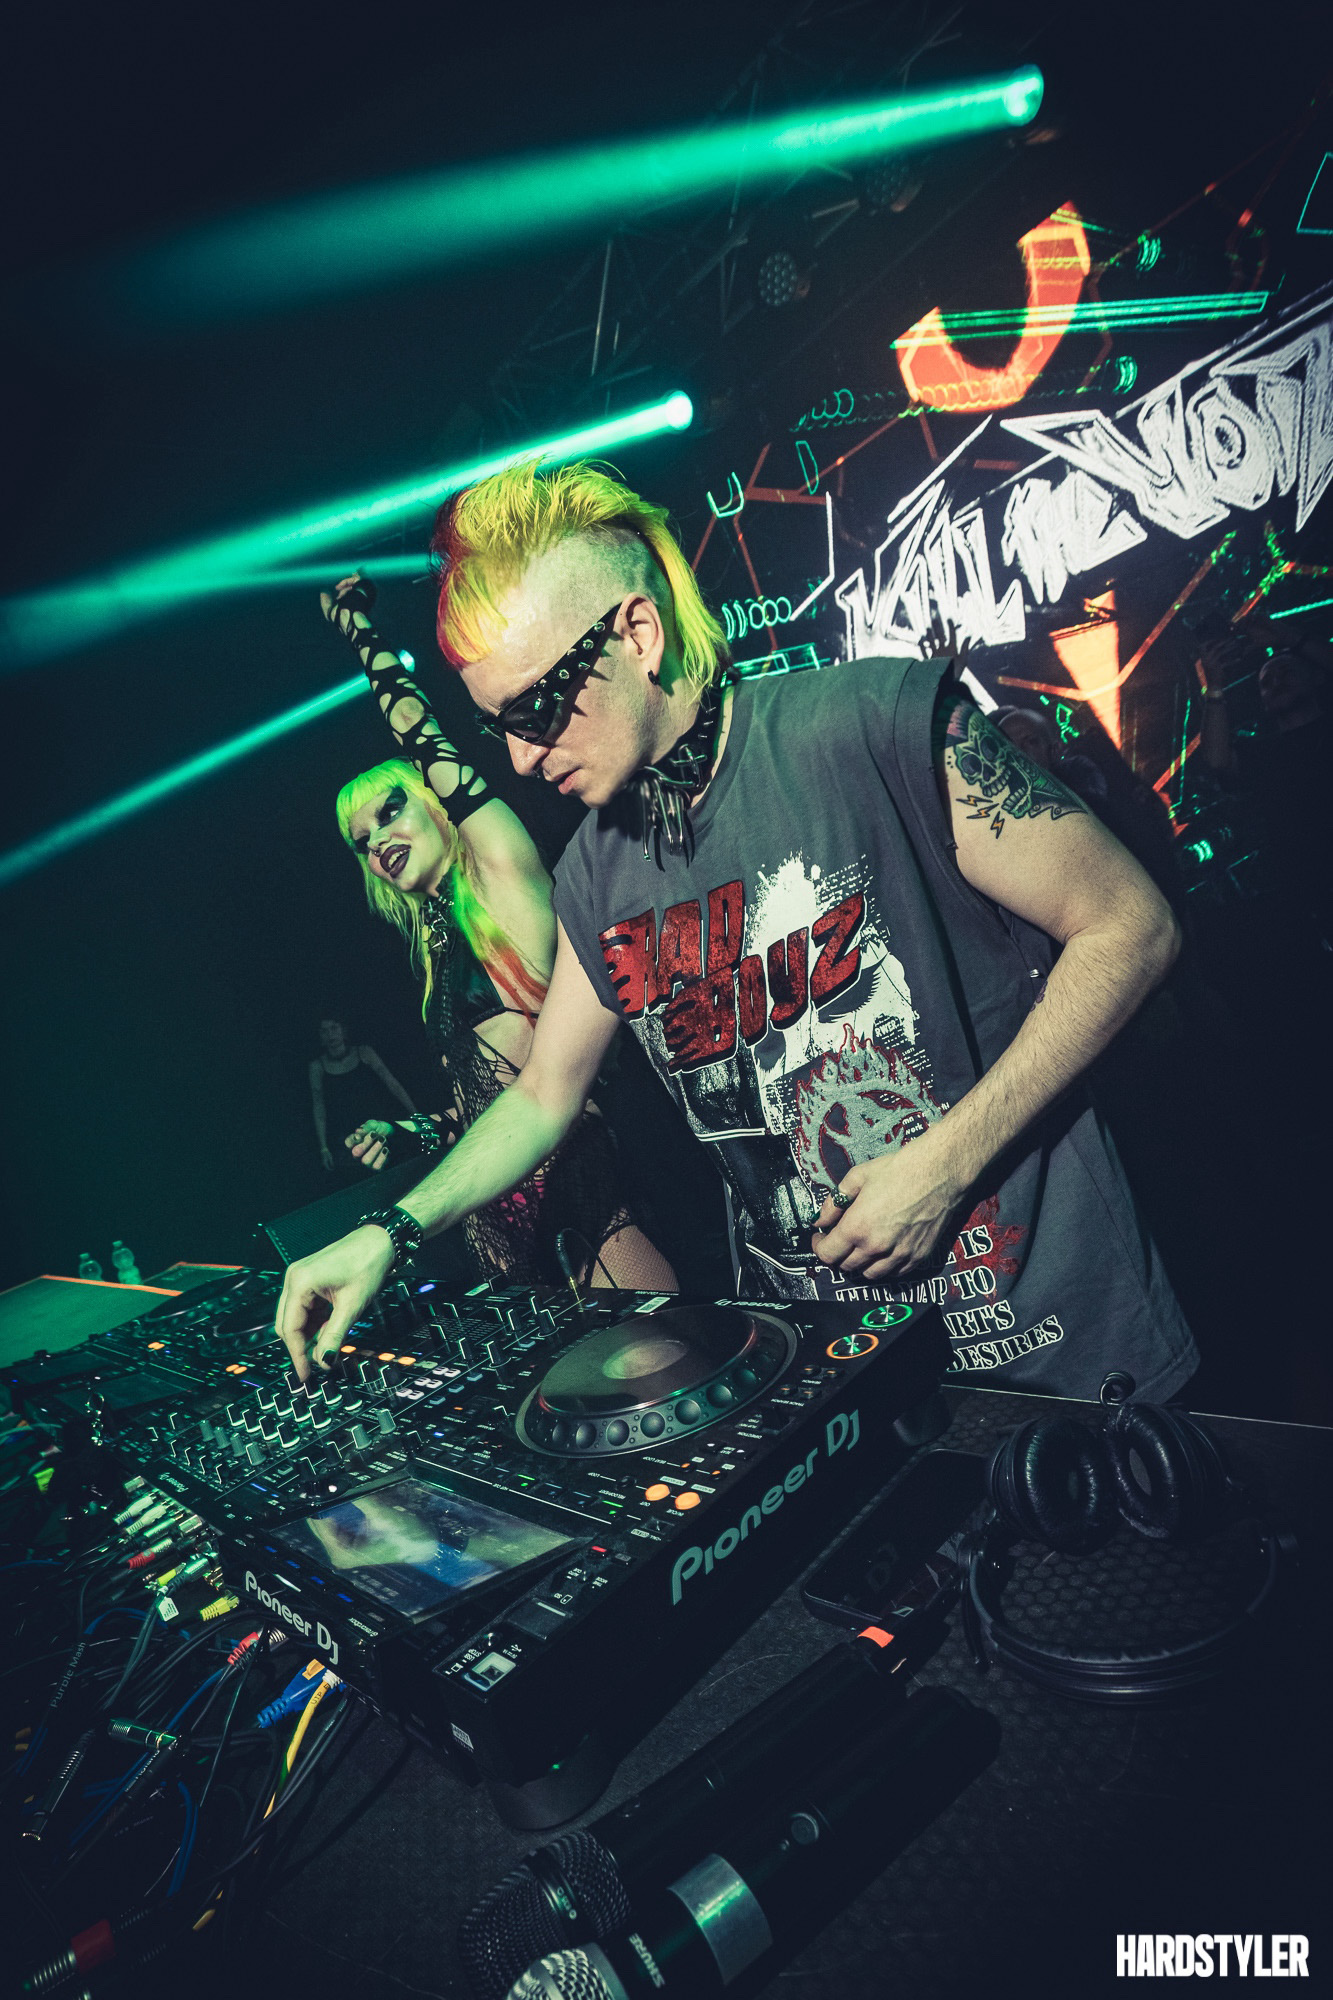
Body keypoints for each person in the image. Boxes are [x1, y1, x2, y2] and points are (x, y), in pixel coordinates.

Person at [276, 463, 1197, 1408]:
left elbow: (1130, 925)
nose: (518, 756)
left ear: (637, 634)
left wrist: (946, 1164)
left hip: (1053, 1356)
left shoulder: (871, 725)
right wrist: (390, 1230)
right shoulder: (594, 873)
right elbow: (543, 1093)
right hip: (835, 1378)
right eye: (495, 727)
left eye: (534, 710)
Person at [320, 574, 677, 1293]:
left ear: (436, 801)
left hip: (587, 1197)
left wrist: (359, 632)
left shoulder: (500, 878)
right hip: (501, 1226)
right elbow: (485, 1101)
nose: (379, 839)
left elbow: (423, 735)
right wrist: (410, 1132)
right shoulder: (438, 944)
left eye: (391, 811)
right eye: (363, 841)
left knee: (661, 1352)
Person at [309, 1017, 415, 1176]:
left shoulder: (364, 1052)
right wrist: (323, 1148)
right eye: (324, 1031)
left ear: (343, 1030)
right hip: (348, 1137)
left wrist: (415, 1113)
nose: (330, 1034)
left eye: (334, 1028)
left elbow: (392, 1083)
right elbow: (318, 1106)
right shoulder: (317, 1066)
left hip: (380, 1125)